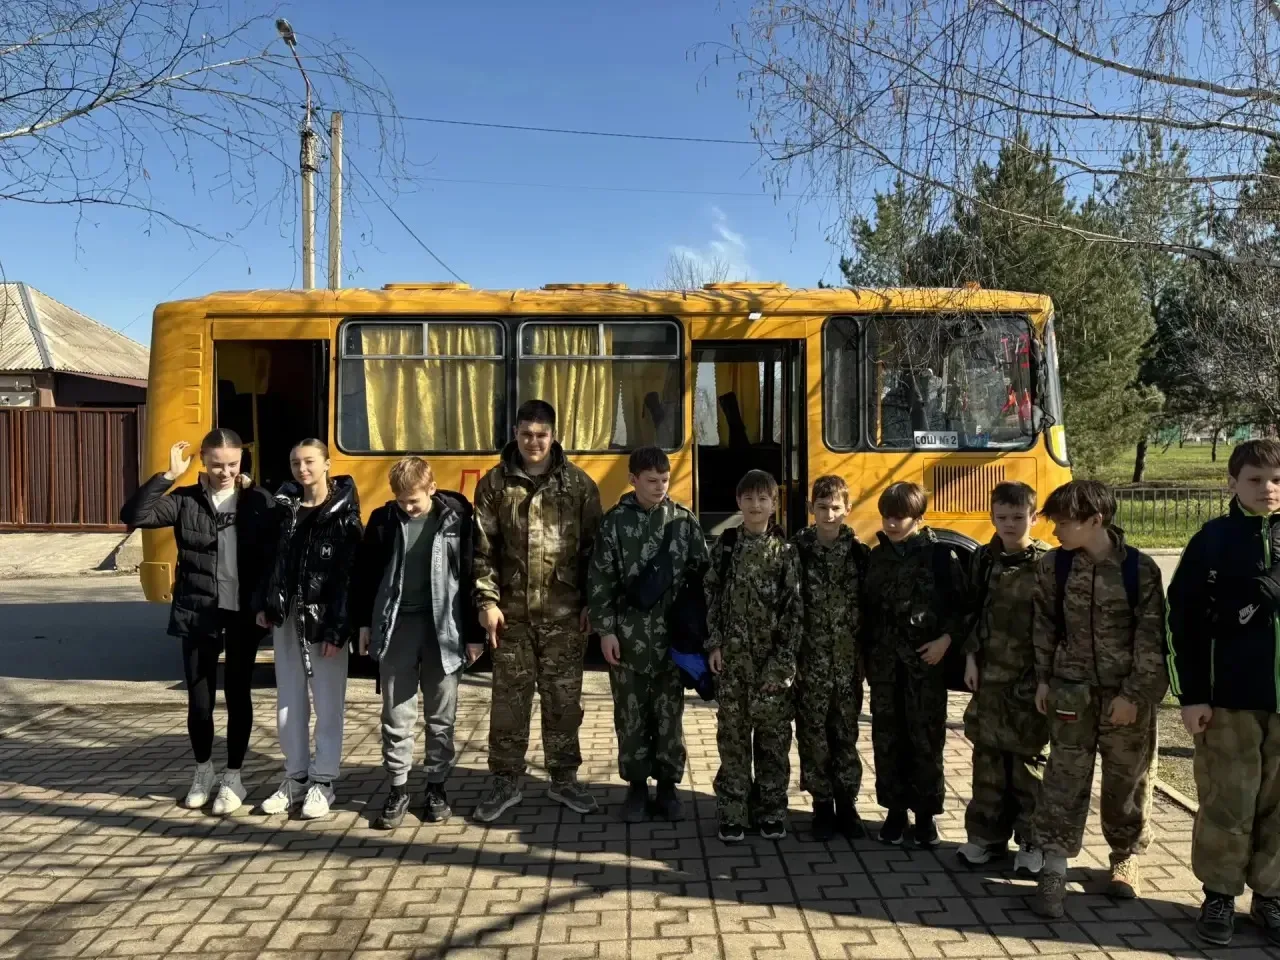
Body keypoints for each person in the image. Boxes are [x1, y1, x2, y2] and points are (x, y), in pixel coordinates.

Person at [120, 430, 277, 814]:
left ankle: (234, 777)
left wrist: (266, 604)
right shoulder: (186, 500)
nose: (225, 472)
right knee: (200, 701)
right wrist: (168, 477)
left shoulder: (258, 500)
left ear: (242, 461)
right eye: (217, 464)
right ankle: (203, 771)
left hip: (242, 614)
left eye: (233, 464)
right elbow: (133, 516)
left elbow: (271, 557)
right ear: (203, 460)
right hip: (198, 611)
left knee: (238, 696)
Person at [1031, 480, 1167, 919]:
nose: (1055, 531)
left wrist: (1134, 695)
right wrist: (1044, 680)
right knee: (1063, 779)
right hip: (1071, 692)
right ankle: (1054, 866)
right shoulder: (1054, 566)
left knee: (1127, 780)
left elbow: (1152, 638)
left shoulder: (1139, 569)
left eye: (1063, 523)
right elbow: (1044, 626)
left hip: (1125, 697)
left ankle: (1125, 856)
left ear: (1095, 520)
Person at [1166, 439, 1280, 946]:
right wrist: (1191, 695)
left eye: (1276, 480)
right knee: (1227, 802)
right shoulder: (1212, 540)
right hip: (1230, 699)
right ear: (1232, 482)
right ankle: (1219, 895)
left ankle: (1272, 896)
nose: (1268, 489)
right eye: (1255, 479)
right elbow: (1182, 621)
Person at [471, 400, 603, 822]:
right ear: (515, 433)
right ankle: (505, 781)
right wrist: (487, 602)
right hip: (511, 616)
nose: (533, 442)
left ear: (553, 435)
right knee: (508, 704)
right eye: (526, 434)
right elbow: (483, 550)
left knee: (563, 702)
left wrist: (592, 603)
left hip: (565, 615)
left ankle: (564, 779)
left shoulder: (578, 485)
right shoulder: (494, 485)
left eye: (541, 435)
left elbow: (594, 552)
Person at [350, 457, 485, 831]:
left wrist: (474, 634)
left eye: (414, 500)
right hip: (397, 628)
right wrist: (363, 623)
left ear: (432, 489)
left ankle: (437, 787)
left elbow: (470, 573)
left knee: (441, 715)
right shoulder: (383, 521)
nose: (408, 507)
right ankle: (398, 788)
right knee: (396, 714)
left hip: (445, 629)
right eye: (401, 500)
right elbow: (365, 574)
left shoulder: (457, 520)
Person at [587, 446, 710, 823]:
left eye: (665, 480)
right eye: (651, 480)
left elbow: (704, 578)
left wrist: (698, 635)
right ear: (633, 479)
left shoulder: (683, 522)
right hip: (627, 641)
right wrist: (605, 631)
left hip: (672, 642)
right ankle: (637, 788)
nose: (660, 487)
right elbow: (601, 581)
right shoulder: (614, 523)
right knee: (631, 717)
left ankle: (669, 787)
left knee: (669, 717)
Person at [256, 439, 363, 820]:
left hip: (324, 622)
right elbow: (271, 561)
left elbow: (349, 577)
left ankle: (324, 781)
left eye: (309, 462)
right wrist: (266, 603)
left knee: (328, 704)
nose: (302, 469)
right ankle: (296, 776)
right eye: (295, 463)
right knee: (289, 702)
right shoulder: (285, 509)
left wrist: (338, 629)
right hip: (287, 618)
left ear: (327, 464)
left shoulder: (344, 515)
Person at [862, 481, 966, 848]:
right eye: (887, 516)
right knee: (888, 740)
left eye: (900, 517)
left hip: (925, 668)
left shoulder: (940, 557)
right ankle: (895, 812)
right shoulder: (877, 558)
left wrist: (945, 641)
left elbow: (962, 607)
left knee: (926, 740)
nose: (892, 524)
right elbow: (866, 611)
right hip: (885, 669)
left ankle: (925, 815)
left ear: (918, 517)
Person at [957, 481, 1050, 876]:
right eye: (1002, 517)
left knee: (1028, 765)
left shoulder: (1047, 564)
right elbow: (971, 611)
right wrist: (970, 659)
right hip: (989, 679)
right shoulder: (984, 558)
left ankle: (1031, 841)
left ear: (1033, 517)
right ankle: (986, 837)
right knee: (988, 761)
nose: (1010, 524)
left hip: (1028, 682)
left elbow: (1051, 627)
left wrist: (1045, 679)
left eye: (1018, 517)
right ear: (992, 517)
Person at [704, 469, 802, 843]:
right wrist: (715, 644)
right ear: (738, 502)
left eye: (763, 499)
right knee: (733, 741)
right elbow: (711, 596)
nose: (755, 505)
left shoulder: (785, 553)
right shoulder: (726, 546)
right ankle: (733, 811)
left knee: (773, 742)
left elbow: (794, 612)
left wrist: (782, 664)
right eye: (748, 499)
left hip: (771, 668)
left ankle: (771, 811)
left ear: (774, 504)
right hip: (732, 665)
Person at [790, 475, 869, 842]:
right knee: (813, 736)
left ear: (847, 509)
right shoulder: (797, 551)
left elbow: (870, 609)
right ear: (811, 509)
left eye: (836, 507)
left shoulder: (859, 554)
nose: (829, 514)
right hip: (810, 666)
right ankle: (822, 805)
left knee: (845, 736)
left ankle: (847, 804)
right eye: (822, 507)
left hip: (847, 666)